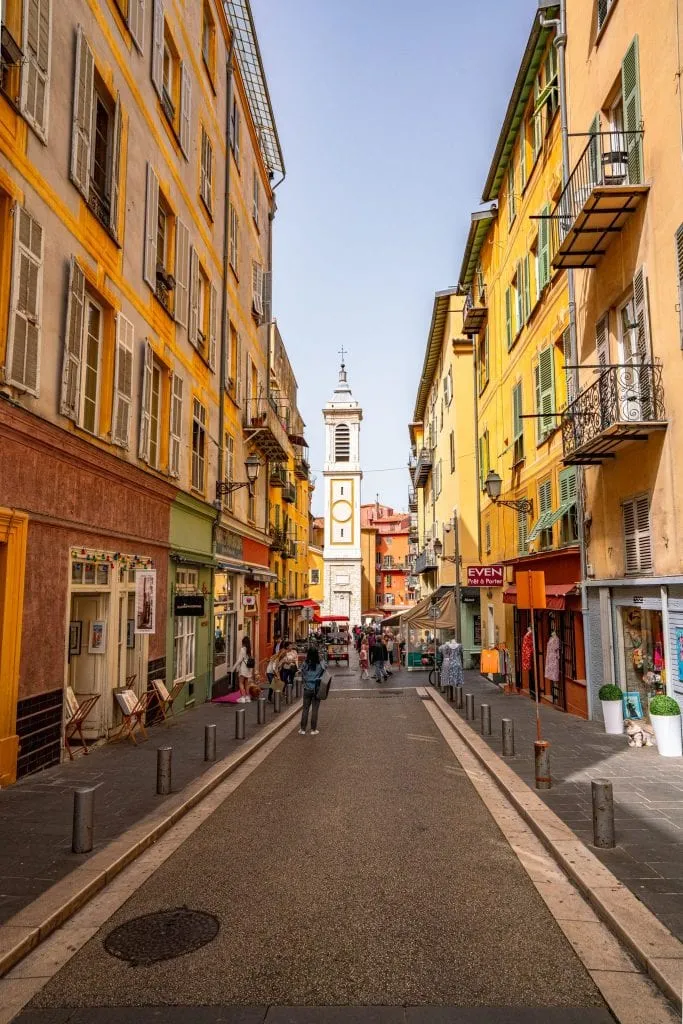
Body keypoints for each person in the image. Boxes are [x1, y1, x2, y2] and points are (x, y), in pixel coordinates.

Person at [299, 646, 325, 735]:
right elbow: (325, 667)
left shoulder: (305, 663)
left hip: (307, 688)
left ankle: (302, 729)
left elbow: (302, 671)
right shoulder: (320, 663)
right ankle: (313, 730)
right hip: (316, 689)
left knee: (305, 709)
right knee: (315, 709)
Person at [233, 636, 254, 702]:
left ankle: (243, 697)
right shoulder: (250, 650)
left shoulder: (242, 649)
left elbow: (239, 660)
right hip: (248, 669)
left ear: (243, 642)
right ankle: (248, 697)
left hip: (243, 668)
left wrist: (233, 668)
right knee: (246, 683)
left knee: (241, 683)